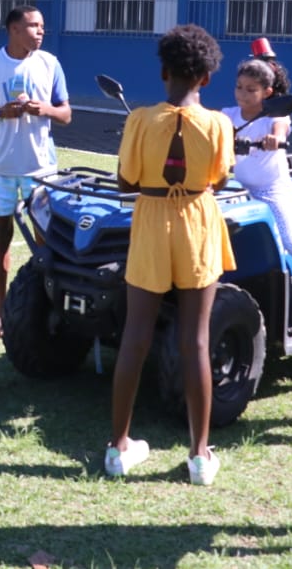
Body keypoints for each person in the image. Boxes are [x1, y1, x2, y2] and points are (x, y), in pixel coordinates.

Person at [107, 24, 233, 486]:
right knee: (196, 340)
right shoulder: (219, 122)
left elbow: (126, 182)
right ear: (206, 77)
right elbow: (220, 178)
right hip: (198, 223)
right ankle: (200, 455)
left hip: (152, 221)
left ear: (164, 72)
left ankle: (120, 446)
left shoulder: (140, 118)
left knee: (135, 335)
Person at [0, 6, 71, 338]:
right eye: (33, 26)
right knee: (1, 241)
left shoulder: (50, 63)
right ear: (13, 29)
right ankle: (1, 314)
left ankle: (46, 314)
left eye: (41, 25)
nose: (40, 31)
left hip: (40, 169)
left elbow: (66, 114)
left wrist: (47, 109)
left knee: (44, 246)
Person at [221, 59, 292, 281]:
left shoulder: (275, 116)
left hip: (272, 190)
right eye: (239, 86)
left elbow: (280, 130)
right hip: (238, 191)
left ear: (267, 92)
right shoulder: (228, 115)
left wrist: (274, 140)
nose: (242, 94)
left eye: (251, 90)